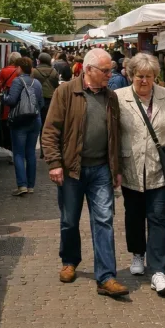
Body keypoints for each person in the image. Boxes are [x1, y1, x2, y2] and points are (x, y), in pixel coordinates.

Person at [42, 48, 129, 298]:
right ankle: (70, 261)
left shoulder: (111, 97)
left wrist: (117, 168)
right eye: (105, 71)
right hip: (72, 169)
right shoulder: (66, 92)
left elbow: (116, 136)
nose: (109, 75)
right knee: (70, 220)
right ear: (88, 70)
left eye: (110, 70)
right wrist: (54, 163)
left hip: (101, 169)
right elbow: (50, 131)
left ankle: (106, 277)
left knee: (103, 220)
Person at [115, 52, 165, 297]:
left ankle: (159, 270)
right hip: (131, 168)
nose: (144, 81)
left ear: (155, 77)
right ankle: (138, 253)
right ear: (131, 75)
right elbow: (113, 135)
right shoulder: (119, 97)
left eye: (149, 76)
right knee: (134, 216)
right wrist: (114, 167)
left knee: (159, 217)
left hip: (159, 169)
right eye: (140, 76)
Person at [4, 57, 43, 196]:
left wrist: (3, 96)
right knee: (31, 153)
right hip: (35, 120)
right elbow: (41, 103)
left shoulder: (17, 81)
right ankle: (31, 185)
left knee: (19, 154)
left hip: (20, 121)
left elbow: (11, 100)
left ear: (19, 68)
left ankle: (22, 185)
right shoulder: (37, 83)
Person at [32, 51, 59, 157]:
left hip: (38, 99)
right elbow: (56, 85)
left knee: (38, 123)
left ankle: (38, 147)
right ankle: (46, 149)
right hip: (50, 100)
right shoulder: (53, 71)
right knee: (48, 124)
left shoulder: (34, 71)